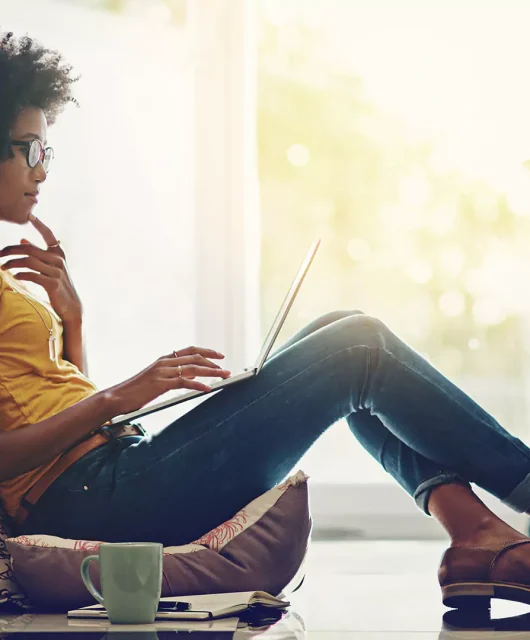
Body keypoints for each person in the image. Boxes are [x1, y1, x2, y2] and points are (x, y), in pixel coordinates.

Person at [2, 30, 530, 610]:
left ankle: (474, 533)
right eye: (29, 149)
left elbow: (57, 404)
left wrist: (72, 322)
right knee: (358, 348)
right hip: (96, 498)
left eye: (45, 152)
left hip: (112, 473)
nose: (42, 171)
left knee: (342, 326)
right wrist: (121, 397)